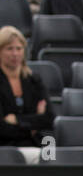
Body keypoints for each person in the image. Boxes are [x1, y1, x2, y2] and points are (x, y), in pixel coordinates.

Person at [0, 26, 53, 163]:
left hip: (36, 142)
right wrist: (32, 125)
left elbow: (49, 119)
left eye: (19, 48)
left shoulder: (34, 80)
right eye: (9, 49)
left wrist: (17, 120)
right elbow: (2, 128)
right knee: (42, 158)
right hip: (5, 146)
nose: (15, 53)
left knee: (52, 153)